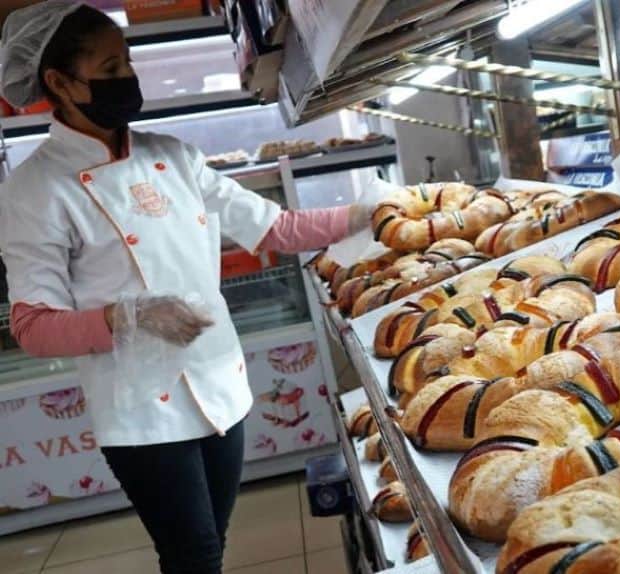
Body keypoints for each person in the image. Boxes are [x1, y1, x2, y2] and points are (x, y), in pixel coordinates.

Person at [0, 2, 372, 573]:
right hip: (141, 410)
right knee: (192, 553)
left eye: (127, 61)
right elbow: (32, 326)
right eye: (109, 66)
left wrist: (367, 214)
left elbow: (275, 227)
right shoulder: (36, 190)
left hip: (218, 379)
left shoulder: (173, 157)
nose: (127, 77)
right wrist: (127, 316)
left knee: (211, 542)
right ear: (58, 81)